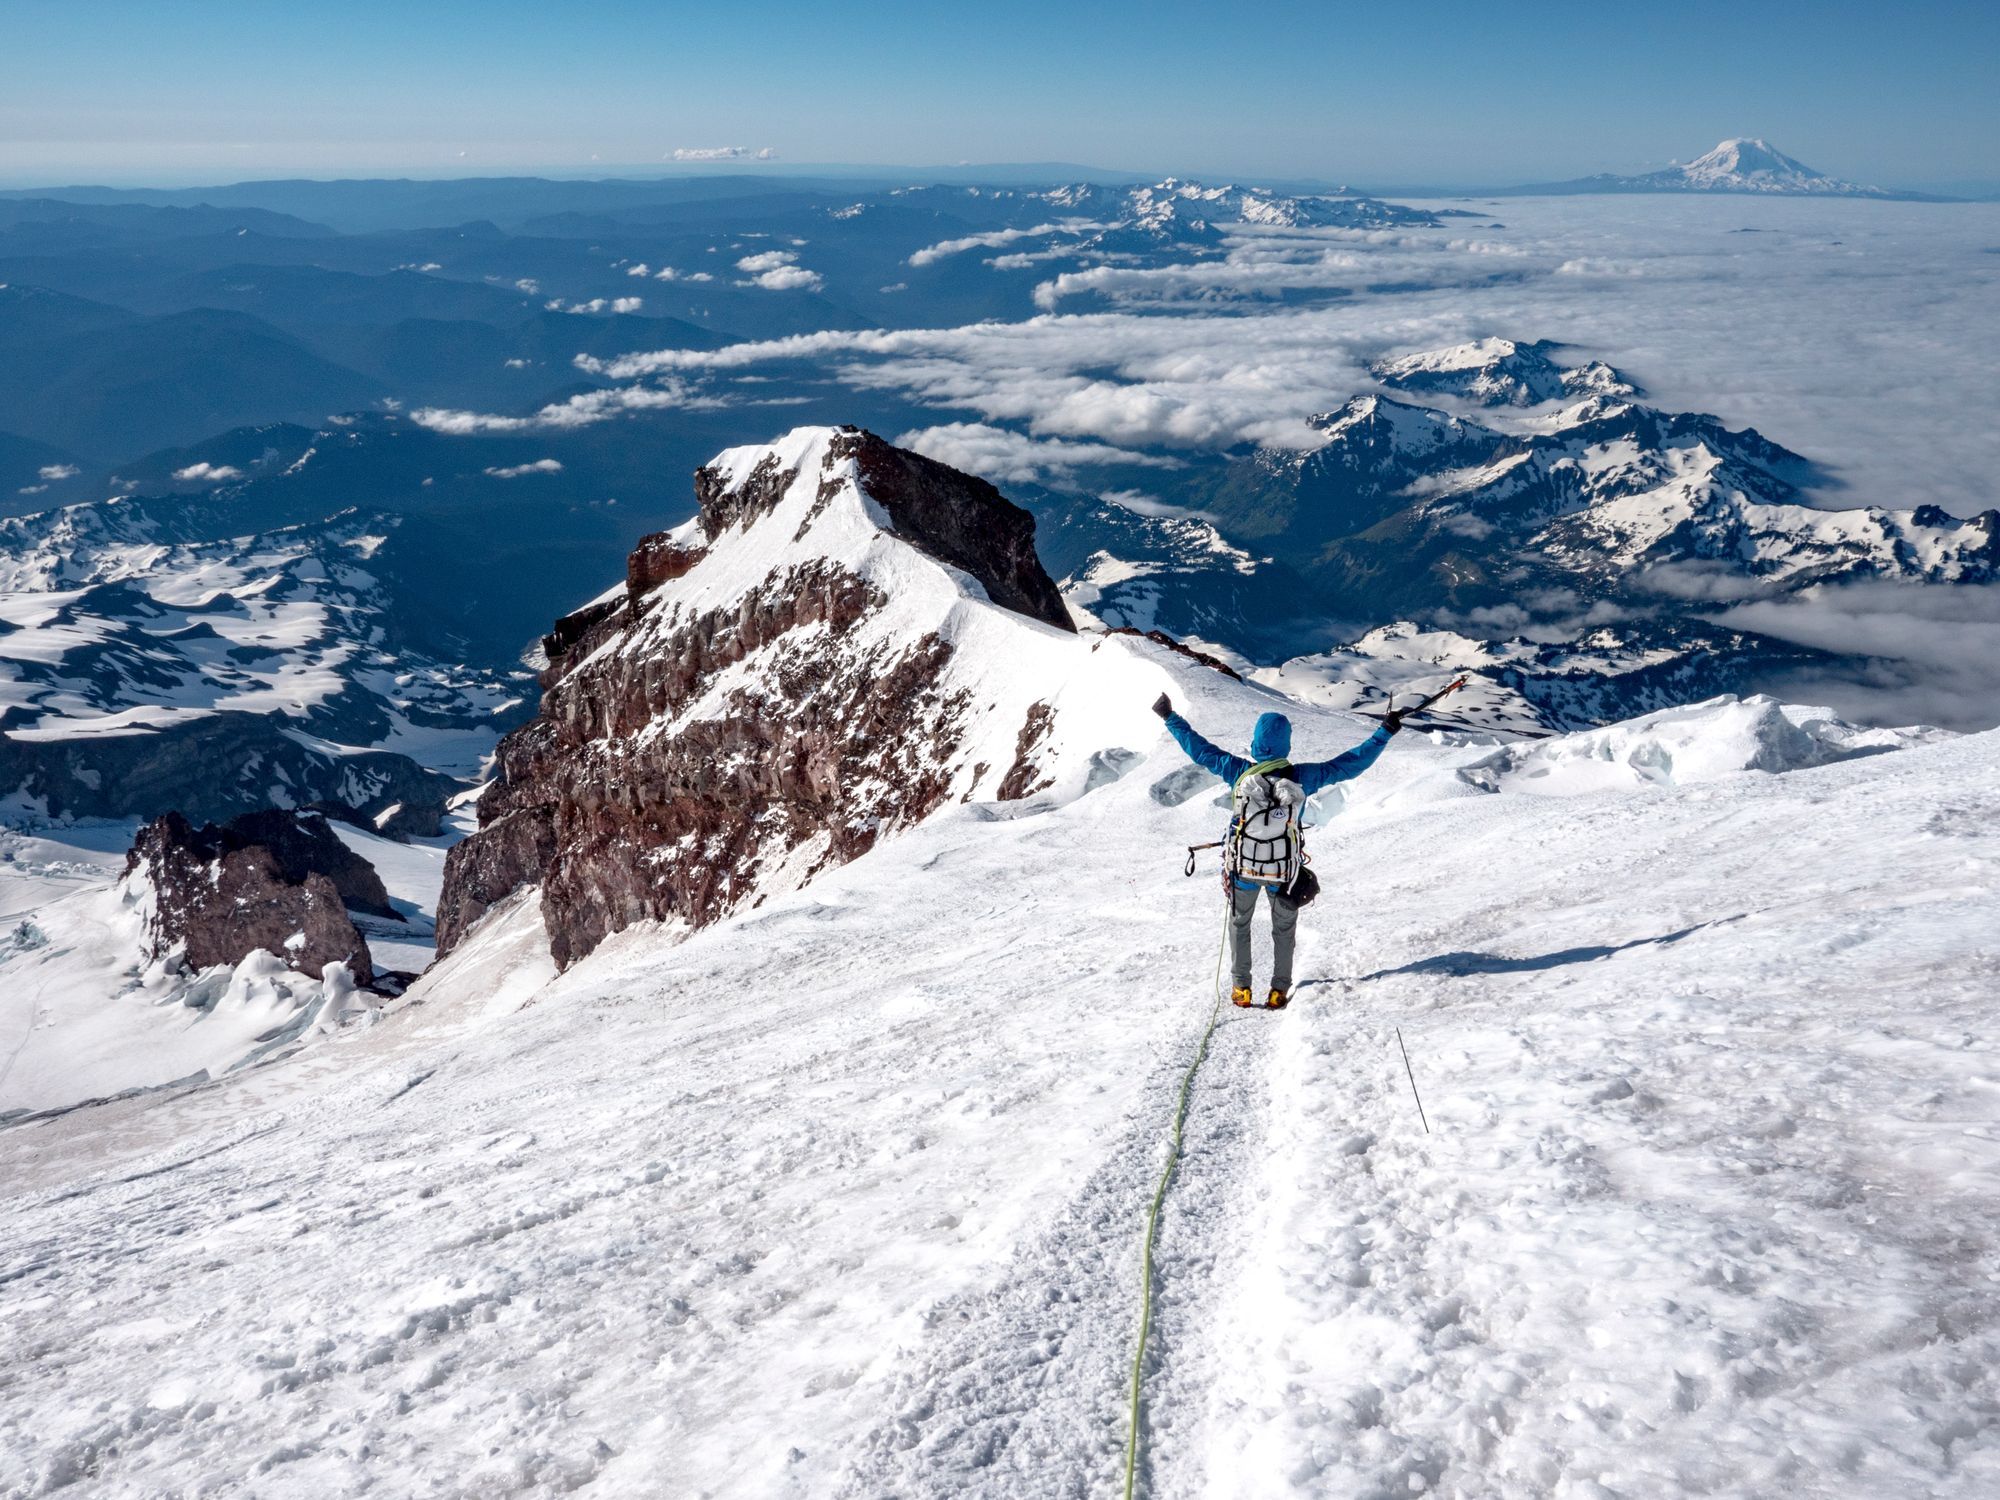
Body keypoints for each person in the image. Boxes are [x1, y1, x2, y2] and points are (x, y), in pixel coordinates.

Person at [1152, 693, 1403, 1009]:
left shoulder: (1237, 771)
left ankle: (1242, 989)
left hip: (1243, 869)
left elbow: (1200, 750)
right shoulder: (1303, 777)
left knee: (1239, 925)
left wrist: (1170, 717)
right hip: (1284, 872)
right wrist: (1384, 733)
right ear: (1286, 744)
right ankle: (1278, 990)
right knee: (1283, 930)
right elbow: (1350, 764)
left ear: (1256, 743)